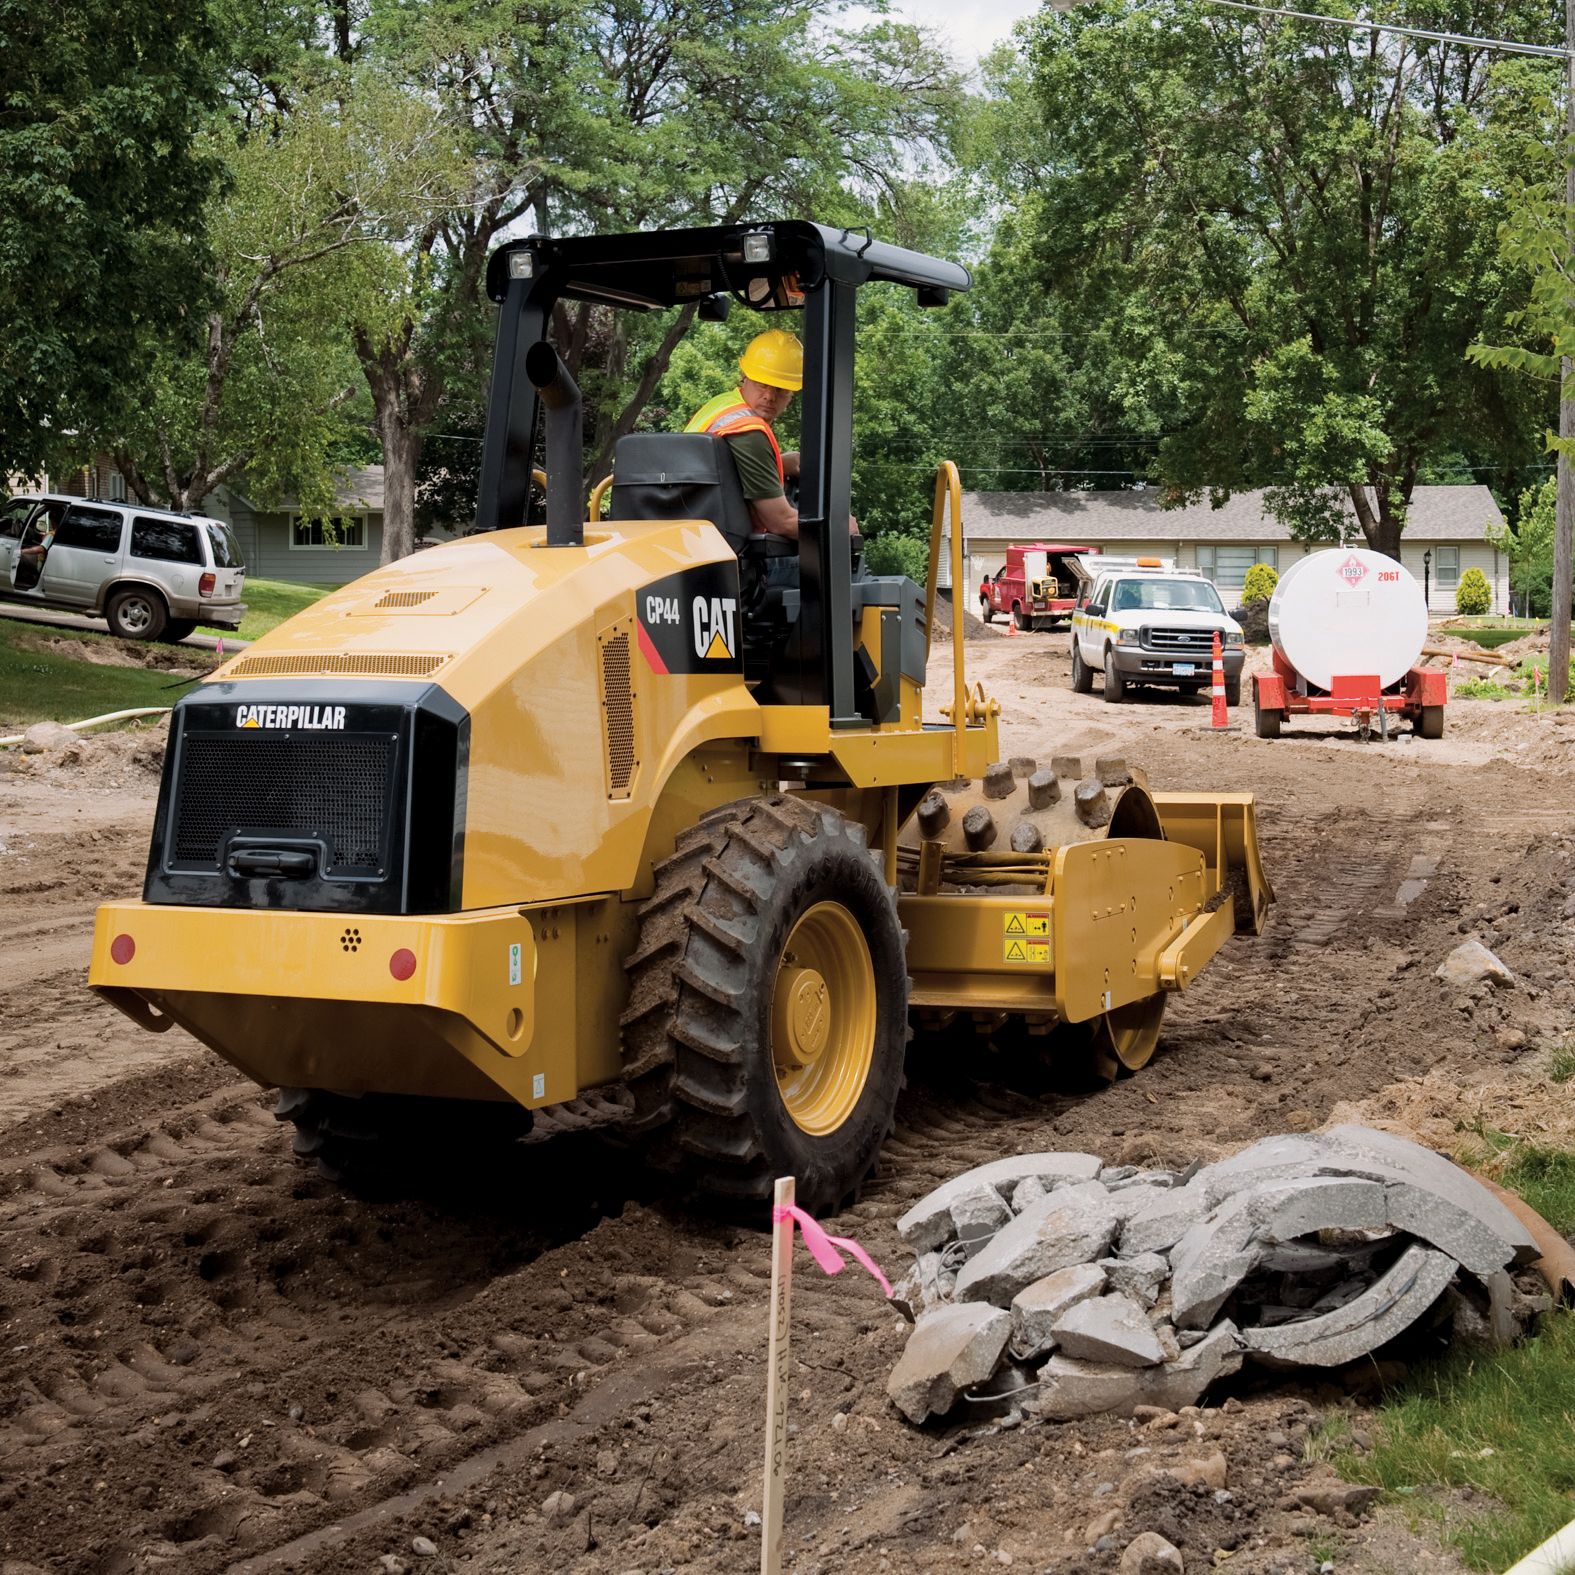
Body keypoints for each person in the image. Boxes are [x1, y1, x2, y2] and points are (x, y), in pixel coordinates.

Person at [685, 329, 856, 546]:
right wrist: (840, 526)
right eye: (762, 384)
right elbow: (781, 522)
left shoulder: (721, 405)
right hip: (728, 548)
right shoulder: (748, 431)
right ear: (745, 378)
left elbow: (718, 470)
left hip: (695, 536)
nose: (769, 396)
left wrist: (779, 464)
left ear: (791, 394)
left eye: (780, 389)